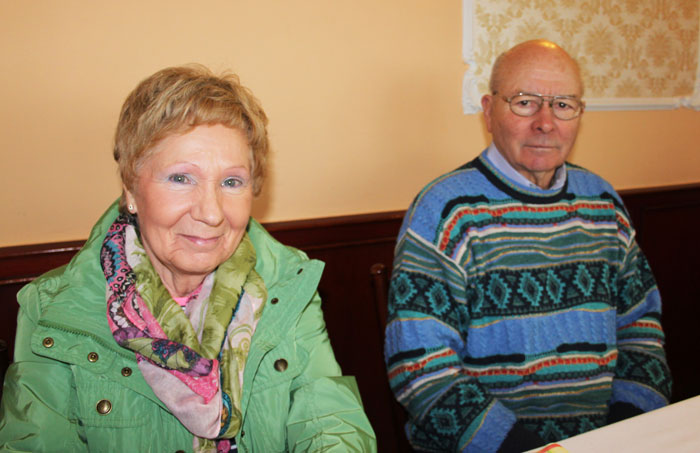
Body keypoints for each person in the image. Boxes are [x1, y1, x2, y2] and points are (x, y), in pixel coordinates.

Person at [0, 65, 376, 452]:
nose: (211, 213)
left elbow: (330, 423)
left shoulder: (287, 286)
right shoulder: (52, 309)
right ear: (130, 188)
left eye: (231, 182)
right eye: (181, 178)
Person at [385, 40, 671, 452]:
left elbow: (641, 328)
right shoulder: (445, 212)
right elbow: (421, 368)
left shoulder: (603, 203)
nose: (545, 123)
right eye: (524, 102)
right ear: (488, 111)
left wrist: (625, 432)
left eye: (563, 105)